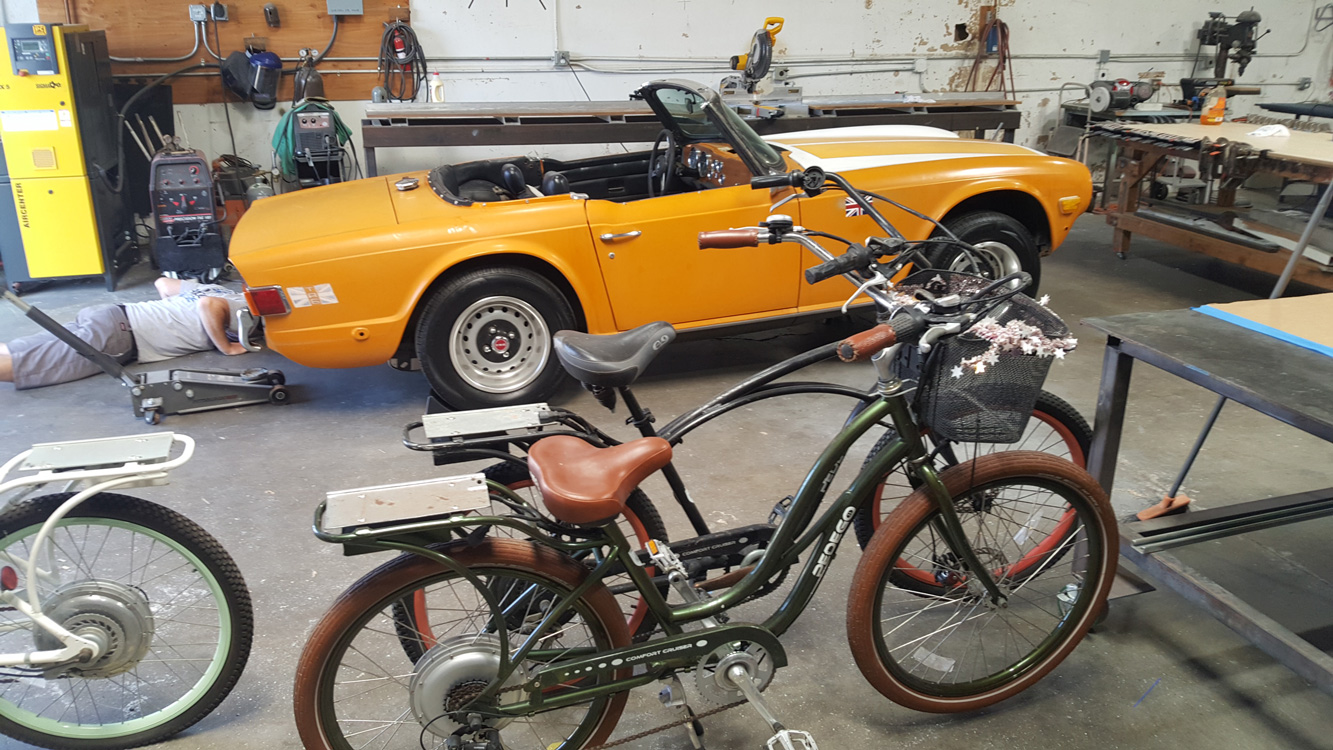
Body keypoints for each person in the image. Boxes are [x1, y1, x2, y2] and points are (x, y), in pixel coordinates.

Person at [0, 277, 249, 390]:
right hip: (119, 336)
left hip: (112, 314)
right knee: (26, 366)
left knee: (17, 350)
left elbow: (162, 284)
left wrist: (169, 314)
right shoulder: (245, 304)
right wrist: (226, 347)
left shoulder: (216, 287)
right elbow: (209, 306)